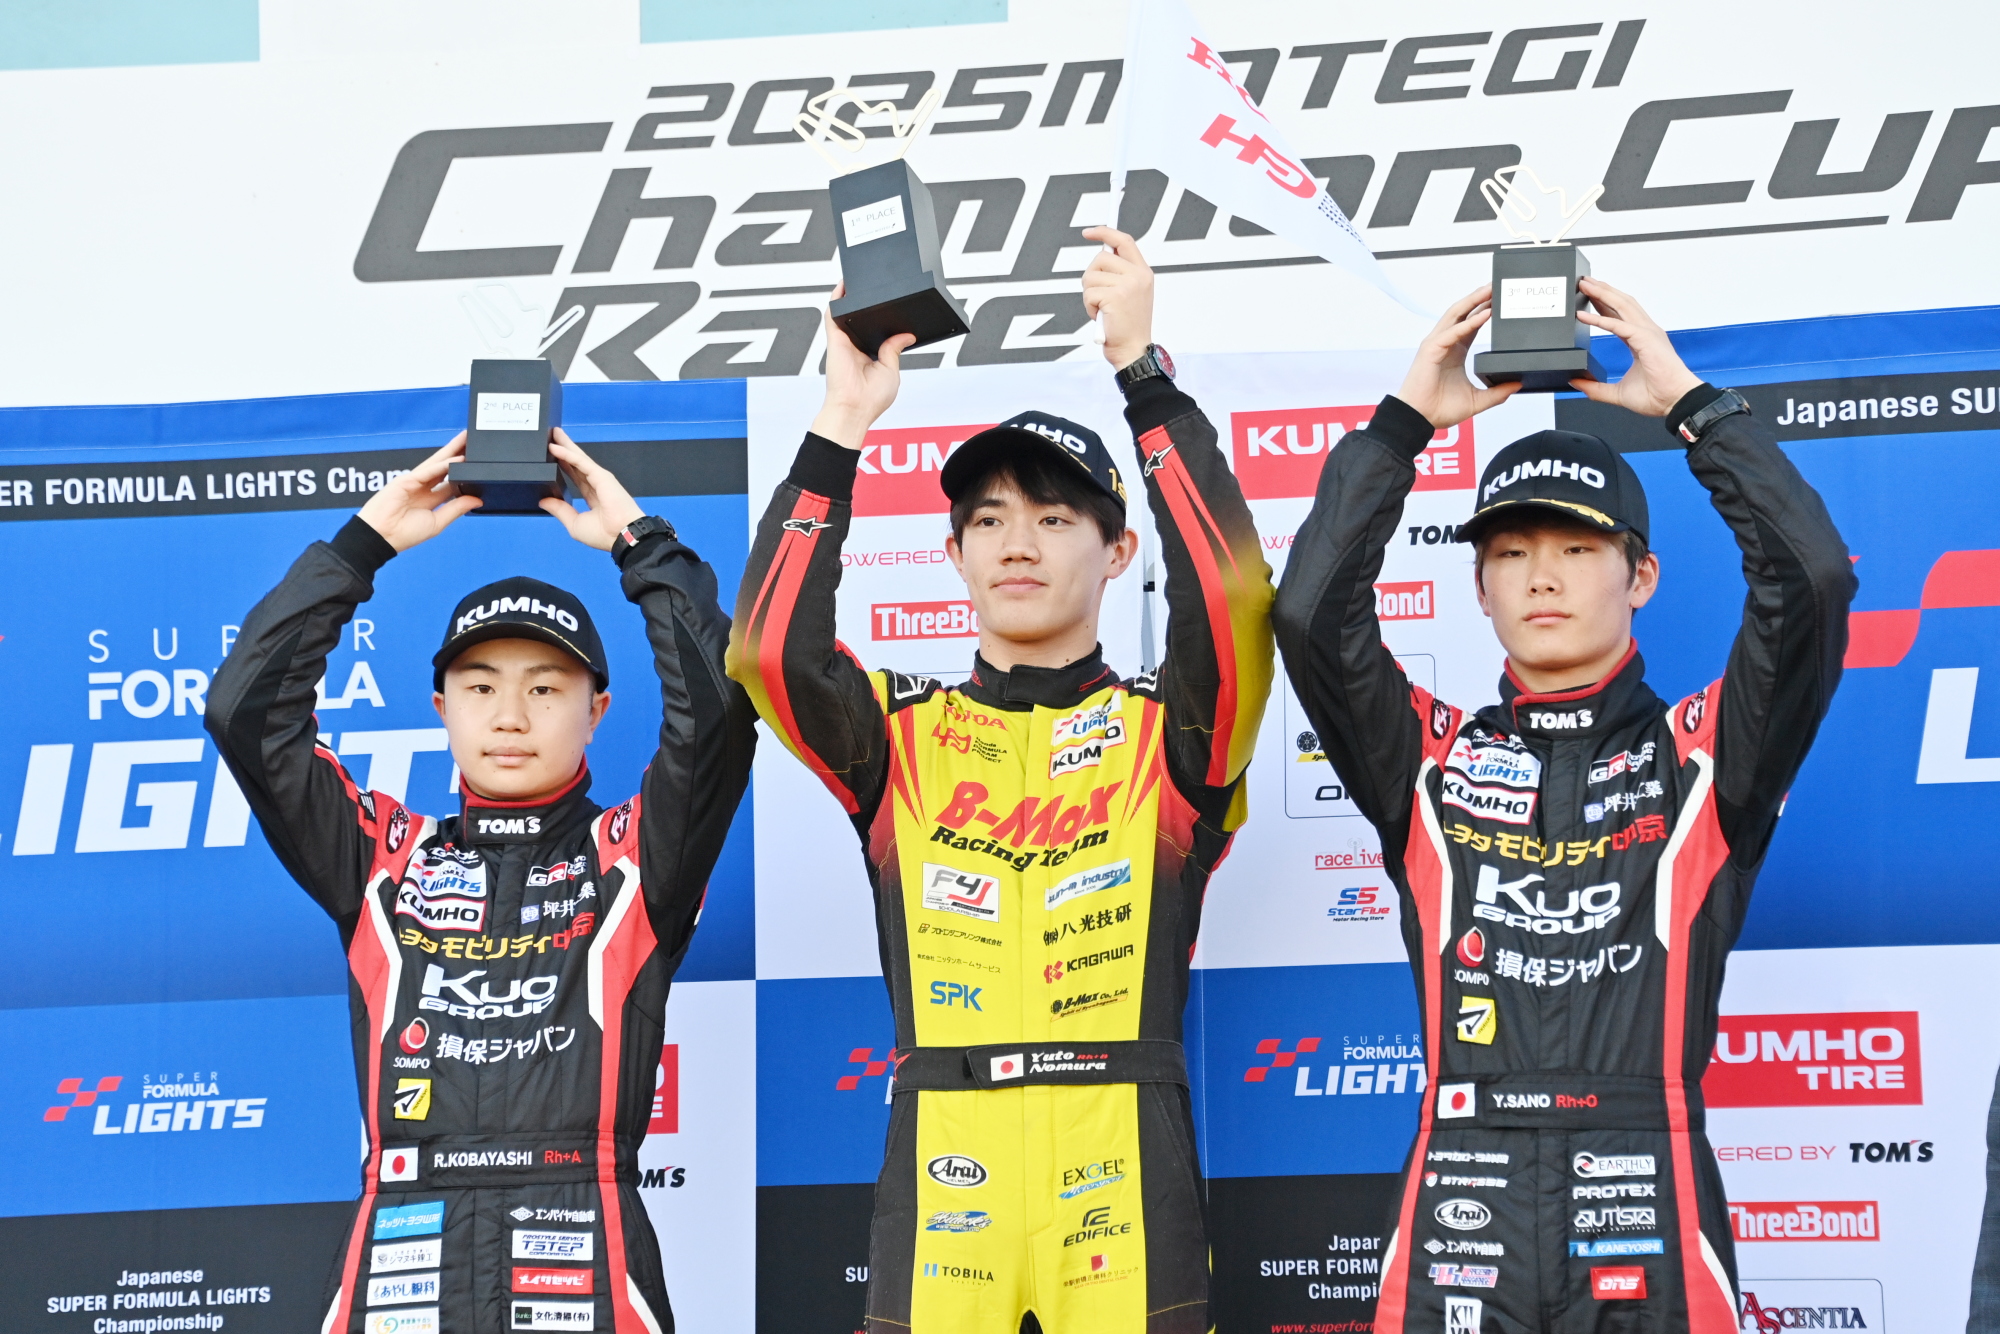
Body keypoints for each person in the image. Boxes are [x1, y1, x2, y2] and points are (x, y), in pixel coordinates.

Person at [1273, 279, 1855, 1333]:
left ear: (1641, 576)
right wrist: (1403, 424)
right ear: (1477, 588)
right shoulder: (1428, 759)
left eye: (1577, 548)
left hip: (1651, 1189)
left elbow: (1808, 578)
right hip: (1459, 1190)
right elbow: (1311, 613)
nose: (1541, 577)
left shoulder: (1704, 755)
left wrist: (1692, 407)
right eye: (1510, 552)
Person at [728, 228, 1273, 1334]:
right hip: (945, 1156)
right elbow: (765, 651)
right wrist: (842, 419)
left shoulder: (1172, 735)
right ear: (954, 554)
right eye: (988, 520)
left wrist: (1142, 375)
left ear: (1117, 553)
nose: (1017, 544)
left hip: (1123, 1154)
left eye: (1054, 518)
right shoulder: (899, 735)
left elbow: (1234, 598)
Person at [206, 432, 756, 1334]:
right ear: (441, 708)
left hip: (590, 1257)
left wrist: (641, 543)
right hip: (398, 1258)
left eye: (544, 689)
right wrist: (362, 546)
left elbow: (720, 711)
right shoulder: (382, 856)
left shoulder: (633, 854)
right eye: (479, 686)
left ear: (596, 711)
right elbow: (246, 710)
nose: (508, 717)